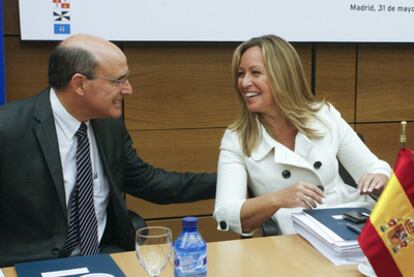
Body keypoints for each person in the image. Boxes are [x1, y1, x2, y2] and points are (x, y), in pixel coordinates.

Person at [0, 34, 216, 267]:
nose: (128, 89)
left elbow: (150, 183)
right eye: (119, 80)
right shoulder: (8, 128)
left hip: (104, 257)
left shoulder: (108, 125)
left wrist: (231, 180)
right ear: (79, 83)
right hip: (27, 264)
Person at [213, 35, 391, 236]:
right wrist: (278, 199)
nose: (244, 82)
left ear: (283, 76)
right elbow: (226, 213)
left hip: (352, 221)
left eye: (255, 73)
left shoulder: (324, 115)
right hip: (295, 236)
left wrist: (379, 179)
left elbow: (374, 167)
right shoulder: (236, 138)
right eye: (240, 74)